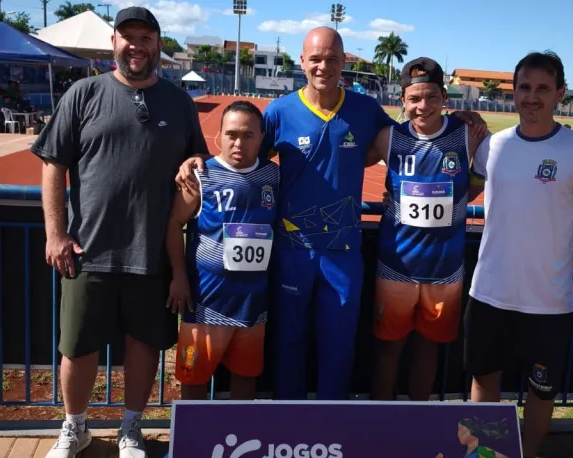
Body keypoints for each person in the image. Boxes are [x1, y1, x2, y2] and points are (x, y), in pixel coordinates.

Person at [176, 27, 486, 401]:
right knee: (289, 342)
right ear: (302, 61)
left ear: (342, 63)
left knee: (338, 344)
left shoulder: (365, 110)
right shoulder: (279, 112)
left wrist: (462, 119)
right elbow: (242, 157)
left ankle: (333, 422)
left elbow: (414, 139)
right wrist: (199, 160)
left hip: (343, 252)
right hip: (292, 250)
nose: (324, 66)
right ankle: (289, 419)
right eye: (316, 59)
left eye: (332, 59)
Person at [31, 6, 208, 458]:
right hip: (88, 250)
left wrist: (193, 163)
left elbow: (197, 155)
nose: (136, 45)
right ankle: (75, 427)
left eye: (145, 37)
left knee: (143, 344)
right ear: (114, 43)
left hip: (152, 251)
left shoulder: (178, 102)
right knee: (77, 347)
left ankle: (131, 427)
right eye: (128, 36)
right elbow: (53, 164)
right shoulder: (84, 93)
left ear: (158, 44)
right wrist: (55, 232)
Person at [465, 51, 573, 458]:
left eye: (542, 89)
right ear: (514, 92)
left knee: (541, 391)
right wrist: (459, 141)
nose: (531, 97)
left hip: (549, 301)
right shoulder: (492, 147)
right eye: (524, 88)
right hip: (489, 292)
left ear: (559, 94)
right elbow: (460, 194)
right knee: (484, 381)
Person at [365, 58, 487, 401]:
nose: (423, 106)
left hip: (445, 271)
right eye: (414, 98)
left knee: (428, 348)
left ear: (444, 97)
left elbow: (509, 158)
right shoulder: (388, 138)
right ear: (402, 100)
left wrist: (568, 141)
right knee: (389, 348)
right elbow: (343, 159)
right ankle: (378, 420)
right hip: (396, 268)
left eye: (431, 97)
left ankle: (419, 418)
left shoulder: (468, 134)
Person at [166, 100, 279, 401]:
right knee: (194, 379)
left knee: (245, 378)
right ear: (219, 135)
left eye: (248, 135)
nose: (239, 143)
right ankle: (192, 433)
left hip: (252, 303)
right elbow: (174, 223)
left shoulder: (273, 176)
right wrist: (179, 276)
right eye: (231, 134)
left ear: (261, 137)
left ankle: (238, 432)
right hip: (206, 301)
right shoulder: (201, 175)